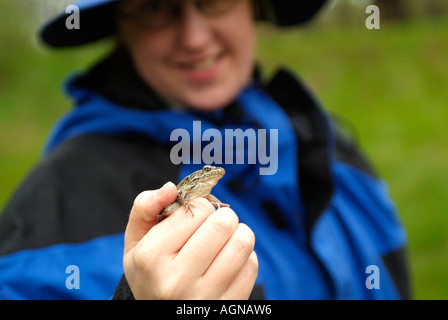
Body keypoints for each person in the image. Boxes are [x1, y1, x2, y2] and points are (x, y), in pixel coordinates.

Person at [0, 0, 410, 299]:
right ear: (118, 21)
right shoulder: (55, 206)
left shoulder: (332, 153)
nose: (195, 38)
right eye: (156, 6)